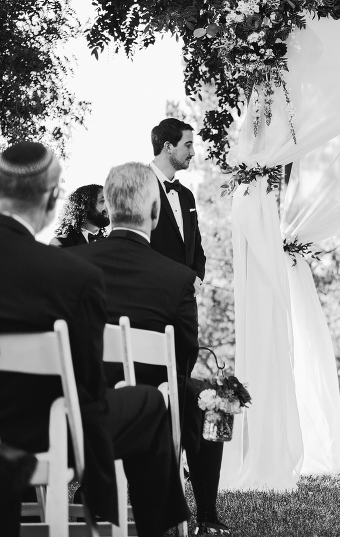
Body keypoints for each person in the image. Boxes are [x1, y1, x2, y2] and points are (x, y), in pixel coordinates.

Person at [0, 142, 189, 537]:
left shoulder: (72, 263)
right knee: (150, 402)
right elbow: (87, 382)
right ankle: (150, 526)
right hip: (41, 429)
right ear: (53, 198)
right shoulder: (68, 274)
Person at [69, 163, 229, 536]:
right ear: (155, 213)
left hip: (80, 404)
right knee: (207, 396)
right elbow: (184, 358)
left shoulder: (69, 265)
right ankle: (205, 513)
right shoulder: (178, 279)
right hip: (153, 406)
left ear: (108, 206)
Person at [149, 118, 206, 282]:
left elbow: (197, 248)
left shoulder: (187, 196)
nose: (193, 152)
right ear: (168, 147)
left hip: (187, 300)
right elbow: (135, 248)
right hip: (152, 298)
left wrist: (195, 278)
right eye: (188, 145)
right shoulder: (137, 186)